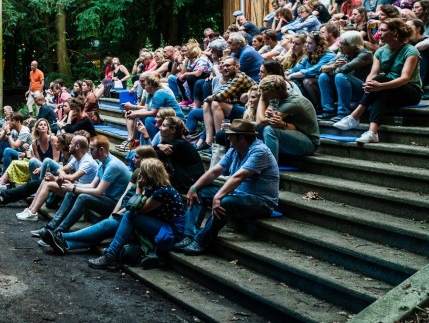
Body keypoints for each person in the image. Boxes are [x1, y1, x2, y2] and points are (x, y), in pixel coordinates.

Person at [176, 119, 279, 255]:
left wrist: (218, 197)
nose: (228, 137)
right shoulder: (234, 149)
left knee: (225, 202)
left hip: (260, 202)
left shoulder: (260, 151)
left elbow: (239, 177)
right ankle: (189, 235)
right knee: (200, 192)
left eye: (231, 134)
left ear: (241, 137)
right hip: (238, 194)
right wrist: (193, 188)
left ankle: (201, 241)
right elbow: (214, 171)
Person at [42, 146, 158, 257]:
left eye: (136, 157)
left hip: (135, 216)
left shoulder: (155, 180)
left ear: (144, 160)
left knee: (107, 226)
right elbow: (125, 195)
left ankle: (61, 235)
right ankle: (66, 244)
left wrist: (121, 211)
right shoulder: (137, 172)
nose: (132, 159)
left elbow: (138, 206)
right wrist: (115, 213)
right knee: (102, 232)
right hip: (126, 210)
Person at [334, 18, 423, 144]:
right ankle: (372, 132)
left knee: (380, 81)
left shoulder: (411, 51)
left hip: (410, 90)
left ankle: (354, 116)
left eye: (382, 30)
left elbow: (405, 78)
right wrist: (368, 84)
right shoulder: (380, 51)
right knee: (380, 89)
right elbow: (373, 73)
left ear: (395, 32)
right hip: (388, 89)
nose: (379, 33)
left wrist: (380, 85)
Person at [86, 159, 186, 270]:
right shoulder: (153, 187)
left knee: (130, 215)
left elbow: (137, 209)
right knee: (126, 216)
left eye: (142, 173)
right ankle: (112, 252)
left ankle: (110, 255)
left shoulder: (162, 191)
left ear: (150, 176)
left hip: (171, 229)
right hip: (161, 222)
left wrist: (138, 188)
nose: (139, 175)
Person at [255, 75, 319, 162]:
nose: (262, 93)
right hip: (293, 133)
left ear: (275, 93)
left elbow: (261, 122)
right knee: (249, 128)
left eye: (265, 92)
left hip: (309, 143)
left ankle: (270, 169)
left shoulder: (293, 102)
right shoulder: (279, 97)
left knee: (269, 130)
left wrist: (262, 98)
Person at [317, 30, 373, 120]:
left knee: (340, 76)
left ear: (352, 45)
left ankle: (343, 113)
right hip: (346, 88)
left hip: (362, 90)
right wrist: (334, 66)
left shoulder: (366, 54)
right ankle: (328, 111)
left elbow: (343, 70)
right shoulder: (344, 55)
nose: (340, 46)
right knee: (323, 77)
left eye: (343, 44)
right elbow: (321, 69)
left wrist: (333, 69)